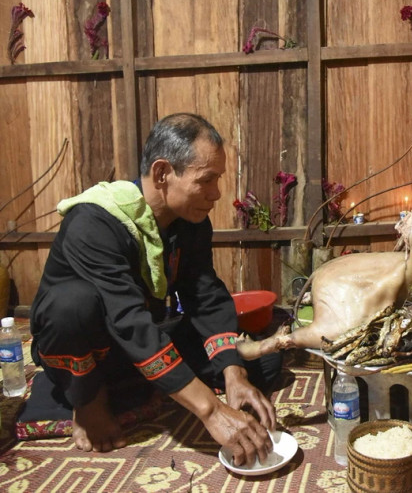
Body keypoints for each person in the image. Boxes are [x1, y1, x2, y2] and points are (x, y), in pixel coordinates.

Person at [28, 113, 276, 466]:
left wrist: (232, 374)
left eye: (217, 180)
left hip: (139, 340)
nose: (217, 193)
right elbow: (127, 320)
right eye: (206, 180)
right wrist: (210, 410)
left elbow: (205, 296)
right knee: (72, 304)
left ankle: (146, 383)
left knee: (261, 364)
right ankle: (88, 400)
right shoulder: (93, 222)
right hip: (89, 345)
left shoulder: (191, 222)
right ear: (162, 174)